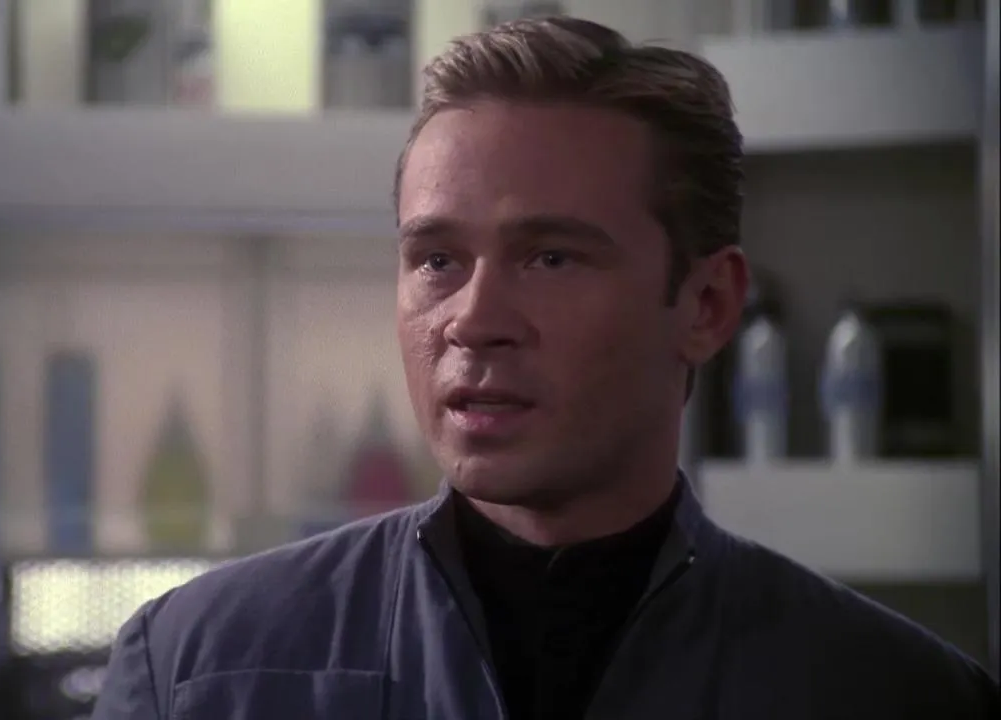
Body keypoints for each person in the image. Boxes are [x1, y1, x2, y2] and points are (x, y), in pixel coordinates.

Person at [93, 17, 1000, 719]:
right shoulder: (195, 671)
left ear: (707, 305)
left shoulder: (897, 695)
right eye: (437, 260)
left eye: (552, 257)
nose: (474, 321)